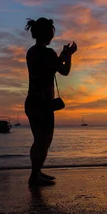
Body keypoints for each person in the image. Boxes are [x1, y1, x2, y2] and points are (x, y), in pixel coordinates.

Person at [25, 18, 77, 186]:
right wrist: (68, 56)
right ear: (49, 34)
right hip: (43, 103)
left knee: (39, 140)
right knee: (43, 140)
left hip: (32, 101)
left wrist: (62, 56)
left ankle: (36, 172)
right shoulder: (48, 54)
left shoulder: (31, 52)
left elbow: (50, 66)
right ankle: (34, 175)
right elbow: (64, 71)